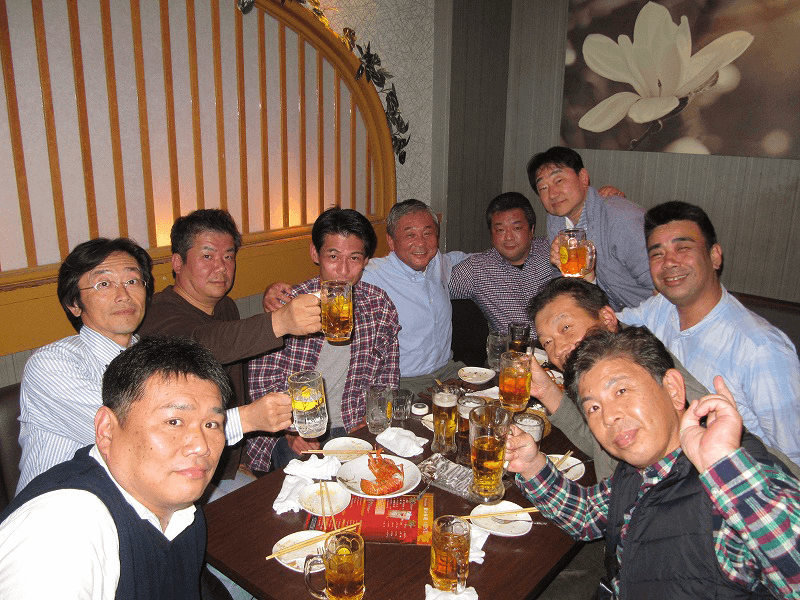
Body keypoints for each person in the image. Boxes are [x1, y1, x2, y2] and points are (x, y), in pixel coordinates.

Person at [506, 327, 800, 599]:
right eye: (593, 407)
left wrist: (724, 466)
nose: (608, 416)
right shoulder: (643, 471)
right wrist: (531, 465)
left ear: (672, 388)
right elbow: (587, 515)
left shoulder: (728, 489)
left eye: (621, 391)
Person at [0, 336, 230, 599]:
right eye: (174, 421)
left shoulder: (183, 512)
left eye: (212, 424)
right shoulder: (61, 531)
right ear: (106, 429)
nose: (201, 446)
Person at [138, 209, 322, 485]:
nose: (221, 267)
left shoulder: (226, 306)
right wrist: (281, 321)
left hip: (228, 461)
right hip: (179, 467)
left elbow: (237, 381)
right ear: (177, 262)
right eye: (207, 256)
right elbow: (202, 345)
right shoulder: (158, 315)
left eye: (228, 256)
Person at [619, 201, 800, 466]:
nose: (669, 262)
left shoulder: (760, 349)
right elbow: (611, 326)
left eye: (683, 248)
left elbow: (794, 460)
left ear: (715, 256)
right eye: (657, 254)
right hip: (666, 462)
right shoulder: (661, 307)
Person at [246, 208, 400, 471]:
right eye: (333, 256)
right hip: (296, 428)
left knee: (390, 470)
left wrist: (372, 417)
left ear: (366, 260)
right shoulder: (289, 305)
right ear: (315, 254)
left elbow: (388, 376)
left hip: (355, 422)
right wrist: (291, 430)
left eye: (354, 258)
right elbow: (263, 381)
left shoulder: (378, 304)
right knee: (306, 477)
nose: (343, 270)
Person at [264, 200, 468, 396]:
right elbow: (328, 279)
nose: (420, 243)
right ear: (391, 241)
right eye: (410, 235)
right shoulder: (369, 276)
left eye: (427, 233)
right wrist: (273, 294)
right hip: (408, 383)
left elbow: (477, 259)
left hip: (446, 372)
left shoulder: (437, 263)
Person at [528, 277, 708, 480]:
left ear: (606, 318)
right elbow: (602, 449)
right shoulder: (597, 371)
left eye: (566, 328)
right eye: (547, 342)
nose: (558, 350)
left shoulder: (645, 366)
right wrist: (547, 391)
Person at [527, 146, 653, 310]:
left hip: (650, 315)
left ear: (583, 177)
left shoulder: (620, 218)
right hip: (605, 314)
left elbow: (661, 283)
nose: (552, 194)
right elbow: (568, 280)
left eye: (559, 181)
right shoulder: (556, 221)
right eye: (543, 188)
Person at [449, 192, 554, 339]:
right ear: (491, 235)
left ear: (531, 230)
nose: (509, 237)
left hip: (562, 346)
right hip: (512, 351)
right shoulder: (477, 269)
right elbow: (435, 291)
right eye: (500, 230)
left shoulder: (552, 251)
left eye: (517, 228)